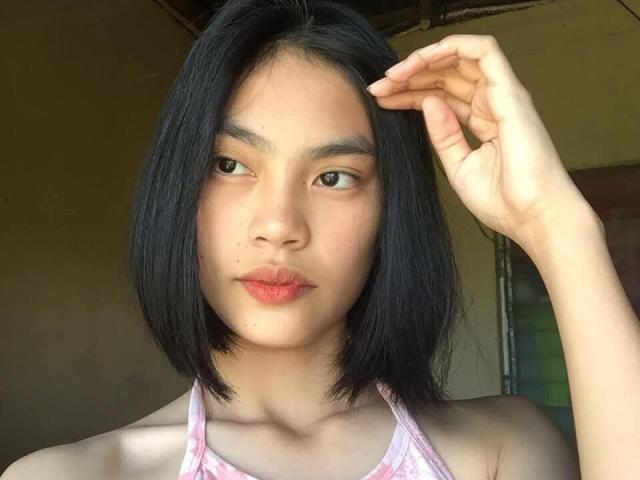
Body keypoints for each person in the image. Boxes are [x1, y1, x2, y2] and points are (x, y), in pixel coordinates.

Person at [4, 0, 639, 478]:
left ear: (390, 210)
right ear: (177, 186)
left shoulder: (502, 451)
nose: (279, 225)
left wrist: (556, 226)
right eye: (230, 165)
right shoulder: (72, 475)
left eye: (334, 177)